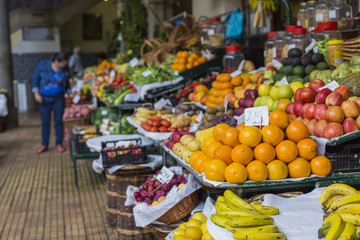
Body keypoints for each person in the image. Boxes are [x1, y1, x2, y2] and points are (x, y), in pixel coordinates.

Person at [32, 52, 70, 153]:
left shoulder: (65, 69)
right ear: (56, 61)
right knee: (45, 122)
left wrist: (69, 93)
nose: (64, 66)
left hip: (59, 98)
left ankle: (59, 144)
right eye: (63, 64)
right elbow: (35, 79)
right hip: (44, 98)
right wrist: (36, 94)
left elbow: (67, 83)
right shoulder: (43, 66)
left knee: (58, 122)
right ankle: (44, 144)